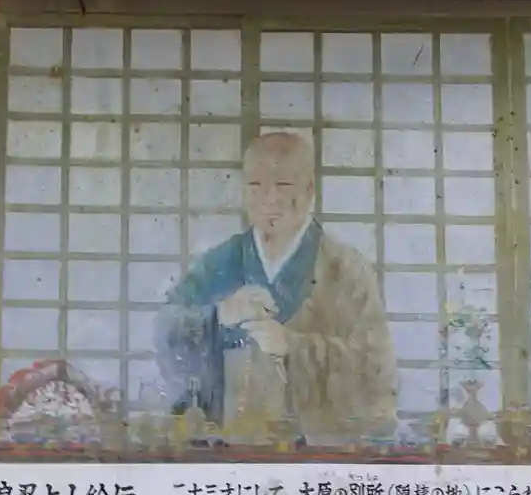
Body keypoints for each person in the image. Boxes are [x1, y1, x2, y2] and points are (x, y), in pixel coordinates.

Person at [155, 131, 397, 444]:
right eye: (255, 186)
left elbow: (376, 372)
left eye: (283, 185)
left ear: (309, 190)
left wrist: (294, 347)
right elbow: (166, 331)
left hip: (317, 450)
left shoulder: (345, 269)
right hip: (231, 445)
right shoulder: (221, 262)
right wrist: (218, 315)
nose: (269, 199)